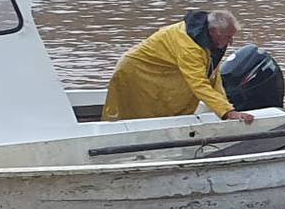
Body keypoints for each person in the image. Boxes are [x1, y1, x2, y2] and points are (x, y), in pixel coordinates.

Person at [102, 10, 258, 124]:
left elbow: (212, 75)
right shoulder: (189, 46)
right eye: (228, 37)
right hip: (136, 70)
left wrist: (226, 107)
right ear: (214, 32)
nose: (231, 42)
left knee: (170, 103)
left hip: (164, 71)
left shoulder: (210, 39)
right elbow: (198, 83)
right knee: (137, 114)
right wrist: (227, 112)